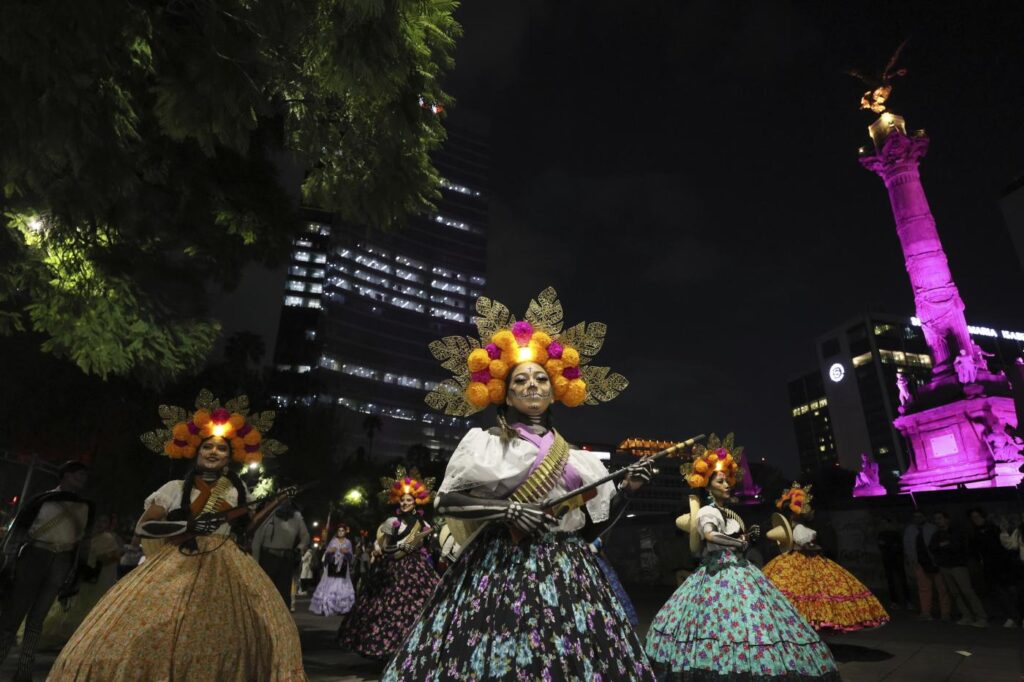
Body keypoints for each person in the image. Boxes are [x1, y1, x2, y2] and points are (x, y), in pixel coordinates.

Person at [382, 288, 657, 680]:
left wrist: (627, 490)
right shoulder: (486, 444)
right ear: (504, 393)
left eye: (541, 379)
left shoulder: (579, 460)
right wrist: (509, 510)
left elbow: (592, 527)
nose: (532, 385)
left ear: (555, 390)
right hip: (499, 567)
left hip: (568, 570)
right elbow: (446, 503)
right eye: (521, 380)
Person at [47, 390, 306, 681]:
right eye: (208, 446)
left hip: (230, 566)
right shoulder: (172, 488)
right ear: (196, 451)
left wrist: (273, 504)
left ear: (230, 458)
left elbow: (245, 531)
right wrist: (188, 527)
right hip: (178, 559)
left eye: (221, 449)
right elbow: (145, 526)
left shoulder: (237, 491)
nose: (213, 452)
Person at [646, 436, 839, 680]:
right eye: (720, 480)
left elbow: (729, 535)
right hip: (719, 572)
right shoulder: (708, 511)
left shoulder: (726, 512)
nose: (726, 484)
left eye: (728, 479)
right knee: (720, 622)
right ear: (707, 485)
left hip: (739, 569)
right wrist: (739, 541)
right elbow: (709, 534)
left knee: (755, 621)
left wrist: (745, 537)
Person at [0, 461, 93, 681]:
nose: (82, 480)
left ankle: (24, 671)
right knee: (13, 616)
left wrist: (75, 573)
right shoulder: (41, 500)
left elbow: (83, 544)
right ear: (66, 475)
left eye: (84, 477)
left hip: (61, 561)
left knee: (37, 619)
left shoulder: (86, 506)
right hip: (34, 556)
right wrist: (9, 563)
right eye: (78, 475)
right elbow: (19, 533)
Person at [337, 468, 440, 660]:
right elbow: (384, 546)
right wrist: (388, 545)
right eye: (403, 500)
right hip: (392, 566)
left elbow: (426, 546)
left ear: (416, 501)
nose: (405, 503)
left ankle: (415, 647)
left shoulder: (424, 524)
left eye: (409, 500)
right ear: (398, 501)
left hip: (416, 569)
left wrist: (414, 544)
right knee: (384, 605)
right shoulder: (392, 521)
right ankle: (386, 647)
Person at [762, 483, 889, 632]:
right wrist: (815, 547)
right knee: (810, 591)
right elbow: (807, 546)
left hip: (796, 562)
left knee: (802, 592)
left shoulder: (796, 528)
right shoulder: (801, 529)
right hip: (805, 562)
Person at [33, 513, 123, 650]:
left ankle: (70, 641)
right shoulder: (82, 537)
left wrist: (96, 557)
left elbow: (113, 558)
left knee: (82, 610)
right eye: (98, 521)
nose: (100, 525)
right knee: (67, 607)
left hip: (95, 582)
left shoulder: (107, 539)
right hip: (78, 579)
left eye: (104, 521)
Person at [930, 510, 988, 626]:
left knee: (967, 591)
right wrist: (944, 546)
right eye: (936, 519)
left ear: (947, 519)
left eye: (940, 518)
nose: (938, 521)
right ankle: (966, 615)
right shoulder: (936, 534)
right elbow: (932, 547)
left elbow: (957, 546)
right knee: (955, 593)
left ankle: (981, 616)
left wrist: (944, 546)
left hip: (958, 565)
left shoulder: (956, 531)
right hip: (945, 566)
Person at [252, 500, 310, 611]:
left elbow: (305, 537)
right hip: (268, 557)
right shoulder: (269, 514)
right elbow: (257, 539)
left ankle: (283, 625)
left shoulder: (296, 516)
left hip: (285, 560)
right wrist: (255, 563)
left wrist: (298, 549)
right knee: (264, 593)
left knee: (283, 597)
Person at [967, 507, 1018, 627]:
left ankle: (1016, 615)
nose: (975, 520)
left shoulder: (993, 529)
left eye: (977, 517)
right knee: (999, 593)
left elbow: (1004, 546)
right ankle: (1011, 616)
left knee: (1010, 591)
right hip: (989, 567)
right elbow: (975, 550)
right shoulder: (975, 533)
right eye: (973, 518)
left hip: (1003, 565)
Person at [904, 509, 950, 620]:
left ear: (924, 517)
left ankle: (945, 613)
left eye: (920, 516)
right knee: (924, 588)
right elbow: (907, 546)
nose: (918, 519)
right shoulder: (910, 530)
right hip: (920, 563)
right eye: (915, 516)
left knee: (942, 589)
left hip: (934, 562)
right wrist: (912, 561)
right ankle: (926, 612)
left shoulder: (932, 528)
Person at [589, 537, 639, 627]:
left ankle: (619, 621)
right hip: (590, 564)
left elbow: (596, 547)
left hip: (598, 564)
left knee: (613, 594)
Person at [310, 524, 355, 616]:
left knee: (341, 585)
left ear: (345, 532)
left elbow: (351, 556)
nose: (341, 532)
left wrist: (346, 553)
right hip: (332, 566)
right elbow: (326, 554)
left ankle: (341, 607)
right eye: (339, 530)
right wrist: (331, 551)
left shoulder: (348, 542)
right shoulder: (333, 541)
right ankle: (327, 606)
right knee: (330, 585)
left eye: (342, 530)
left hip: (343, 567)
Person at [877, 514, 914, 609]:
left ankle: (907, 600)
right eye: (882, 523)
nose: (883, 525)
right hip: (888, 560)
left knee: (902, 580)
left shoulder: (896, 534)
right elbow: (882, 546)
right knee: (891, 582)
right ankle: (895, 601)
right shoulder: (881, 534)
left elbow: (897, 547)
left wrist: (889, 546)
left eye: (885, 523)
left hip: (897, 560)